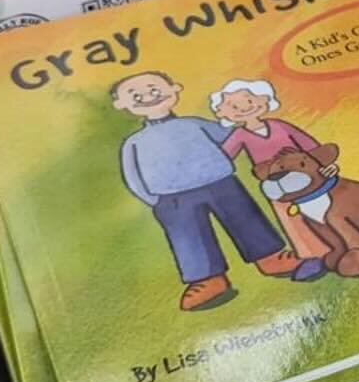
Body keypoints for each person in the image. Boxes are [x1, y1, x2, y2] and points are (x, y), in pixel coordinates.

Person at [110, 70, 324, 312]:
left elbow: (231, 136)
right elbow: (132, 174)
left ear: (174, 89)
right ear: (121, 104)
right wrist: (153, 199)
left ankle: (270, 257)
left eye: (154, 89)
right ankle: (206, 279)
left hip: (220, 182)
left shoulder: (194, 124)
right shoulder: (134, 142)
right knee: (188, 236)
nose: (148, 96)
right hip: (172, 198)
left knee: (246, 220)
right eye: (135, 95)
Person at [211, 78, 335, 264]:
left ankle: (338, 245)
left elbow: (308, 145)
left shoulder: (279, 125)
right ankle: (311, 256)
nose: (244, 108)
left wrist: (324, 165)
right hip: (275, 183)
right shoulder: (239, 135)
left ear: (263, 100)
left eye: (249, 100)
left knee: (326, 208)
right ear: (224, 113)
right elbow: (223, 156)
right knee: (291, 219)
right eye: (233, 106)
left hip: (307, 175)